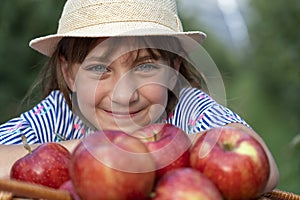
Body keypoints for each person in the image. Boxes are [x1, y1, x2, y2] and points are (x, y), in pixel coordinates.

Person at [0, 0, 278, 192]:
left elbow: (263, 165)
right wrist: (101, 152)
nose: (123, 95)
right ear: (69, 74)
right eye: (99, 68)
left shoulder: (186, 108)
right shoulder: (60, 114)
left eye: (146, 67)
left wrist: (129, 154)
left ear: (173, 69)